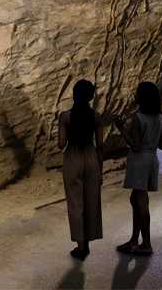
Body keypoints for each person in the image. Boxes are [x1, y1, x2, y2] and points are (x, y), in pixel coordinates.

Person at [115, 81, 162, 255]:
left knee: (141, 201)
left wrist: (121, 129)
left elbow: (135, 145)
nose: (135, 95)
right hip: (152, 158)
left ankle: (146, 243)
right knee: (135, 199)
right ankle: (133, 240)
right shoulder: (160, 117)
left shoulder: (138, 117)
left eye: (137, 93)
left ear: (143, 97)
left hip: (139, 159)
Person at [57, 79, 104, 259]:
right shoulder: (96, 116)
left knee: (75, 202)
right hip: (91, 156)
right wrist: (100, 170)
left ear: (74, 95)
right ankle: (88, 241)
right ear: (91, 96)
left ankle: (81, 246)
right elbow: (100, 146)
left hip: (73, 156)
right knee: (91, 199)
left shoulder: (65, 117)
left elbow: (61, 144)